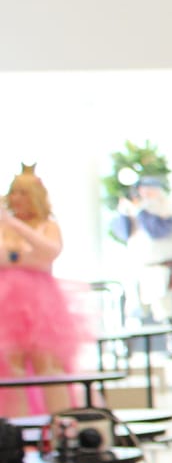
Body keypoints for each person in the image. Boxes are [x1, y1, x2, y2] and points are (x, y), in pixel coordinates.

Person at [0, 165, 87, 418]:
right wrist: (21, 256)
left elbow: (47, 253)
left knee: (48, 365)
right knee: (10, 367)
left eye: (22, 193)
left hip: (43, 305)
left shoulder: (47, 225)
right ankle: (16, 429)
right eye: (14, 192)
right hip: (6, 305)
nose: (16, 198)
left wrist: (16, 232)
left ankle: (62, 423)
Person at [111, 176, 172, 354]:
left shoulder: (164, 209)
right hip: (138, 266)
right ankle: (128, 346)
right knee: (134, 308)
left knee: (164, 307)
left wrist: (140, 212)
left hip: (159, 267)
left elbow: (157, 231)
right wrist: (125, 213)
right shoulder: (133, 210)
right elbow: (122, 232)